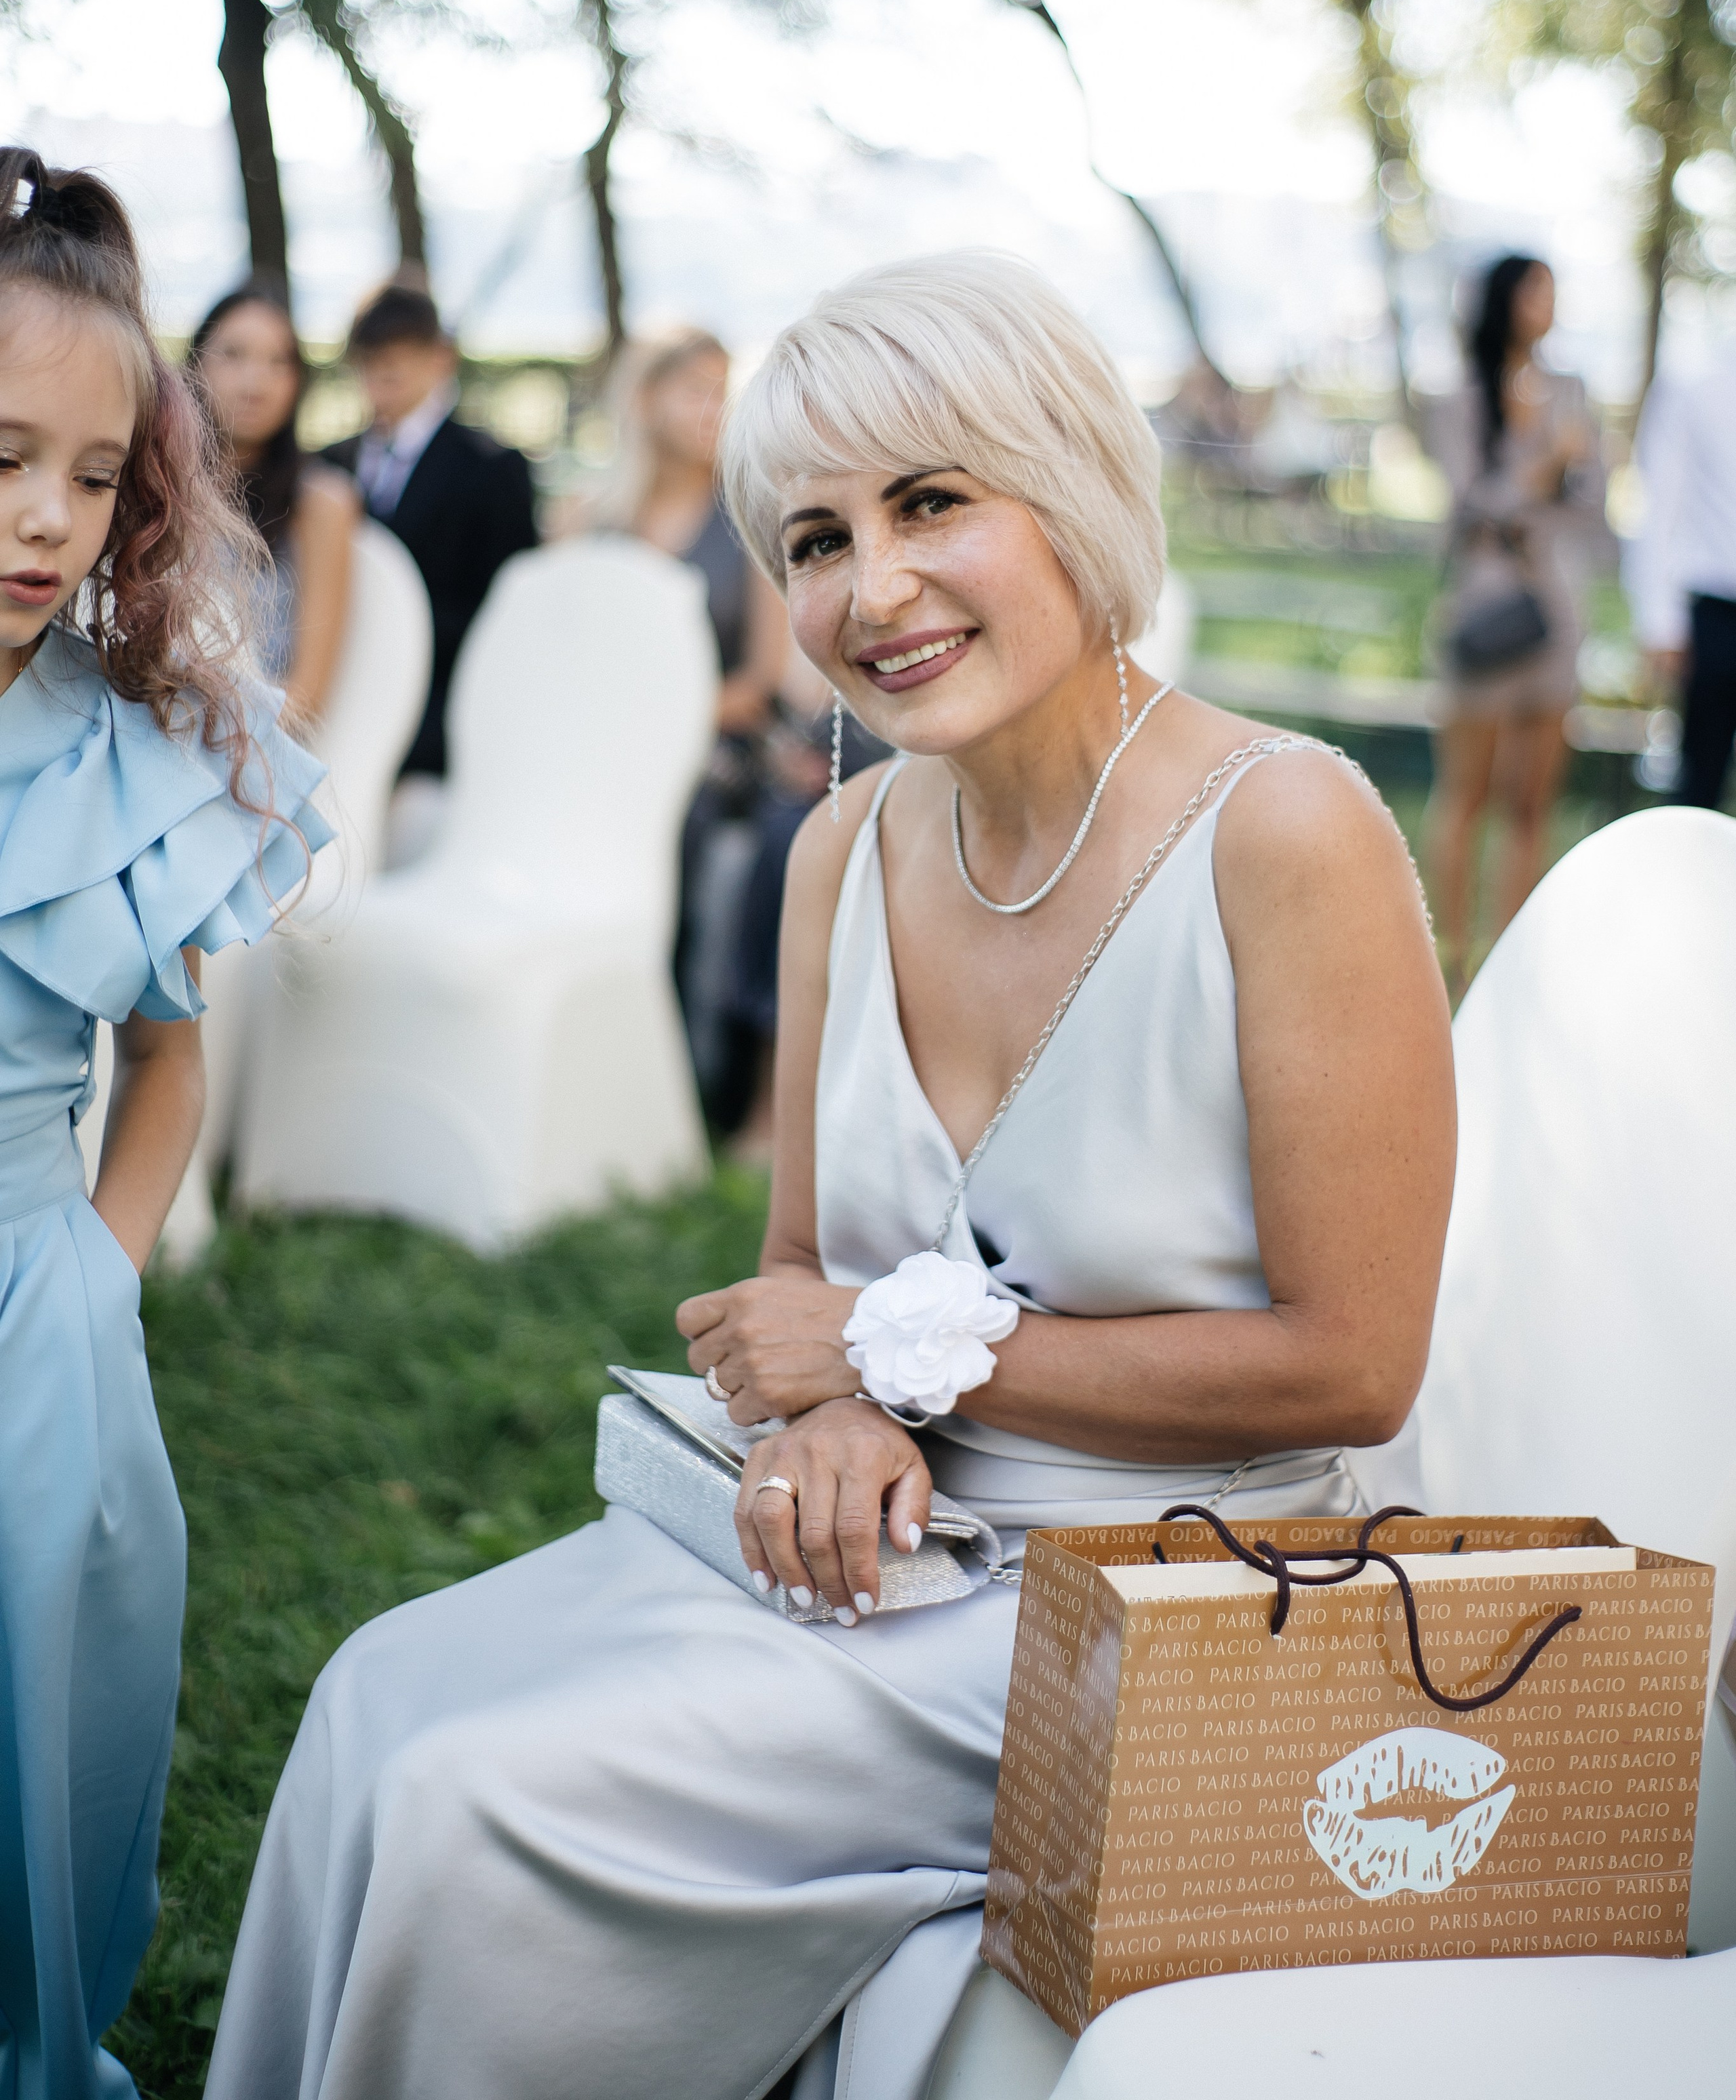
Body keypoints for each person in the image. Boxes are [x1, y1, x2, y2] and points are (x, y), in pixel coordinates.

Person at [207, 251, 1454, 2100]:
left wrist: (893, 1359)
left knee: (480, 1792)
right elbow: (807, 1279)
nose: (872, 589)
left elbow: (1353, 1366)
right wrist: (835, 1422)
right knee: (381, 1690)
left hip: (1174, 1598)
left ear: (1075, 484)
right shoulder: (841, 849)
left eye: (933, 502)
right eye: (811, 538)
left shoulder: (1289, 833)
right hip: (883, 1554)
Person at [0, 149, 330, 2100]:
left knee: (45, 1733)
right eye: (0, 455)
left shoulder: (127, 761)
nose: (47, 519)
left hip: (36, 1310)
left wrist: (96, 1288)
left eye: (96, 475)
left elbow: (168, 1060)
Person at [606, 325, 860, 1138]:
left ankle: (683, 1068)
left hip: (715, 745)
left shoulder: (746, 521)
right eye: (693, 389)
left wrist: (664, 715)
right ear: (644, 401)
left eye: (722, 389)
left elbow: (759, 680)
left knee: (684, 818)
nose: (712, 409)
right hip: (606, 745)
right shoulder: (595, 521)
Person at [1425, 253, 1608, 995]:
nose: (1547, 305)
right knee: (1465, 793)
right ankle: (1448, 955)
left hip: (1555, 618)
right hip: (1484, 613)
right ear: (1504, 300)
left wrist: (1574, 470)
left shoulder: (1573, 393)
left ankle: (1510, 962)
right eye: (1534, 290)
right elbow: (1473, 505)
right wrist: (1542, 468)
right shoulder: (1460, 398)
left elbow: (1590, 507)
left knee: (1531, 800)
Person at [323, 281, 538, 797]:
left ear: (440, 357)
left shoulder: (493, 467)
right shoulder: (328, 465)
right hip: (334, 703)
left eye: (406, 351)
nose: (389, 367)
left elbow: (508, 608)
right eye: (374, 354)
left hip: (439, 726)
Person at [189, 281, 359, 729]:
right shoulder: (159, 489)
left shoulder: (320, 501)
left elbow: (307, 694)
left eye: (278, 362)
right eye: (234, 354)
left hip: (254, 744)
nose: (255, 383)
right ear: (195, 364)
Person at [1625, 353, 1736, 809]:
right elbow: (1659, 509)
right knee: (1699, 788)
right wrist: (1659, 621)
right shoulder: (1696, 384)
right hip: (1715, 615)